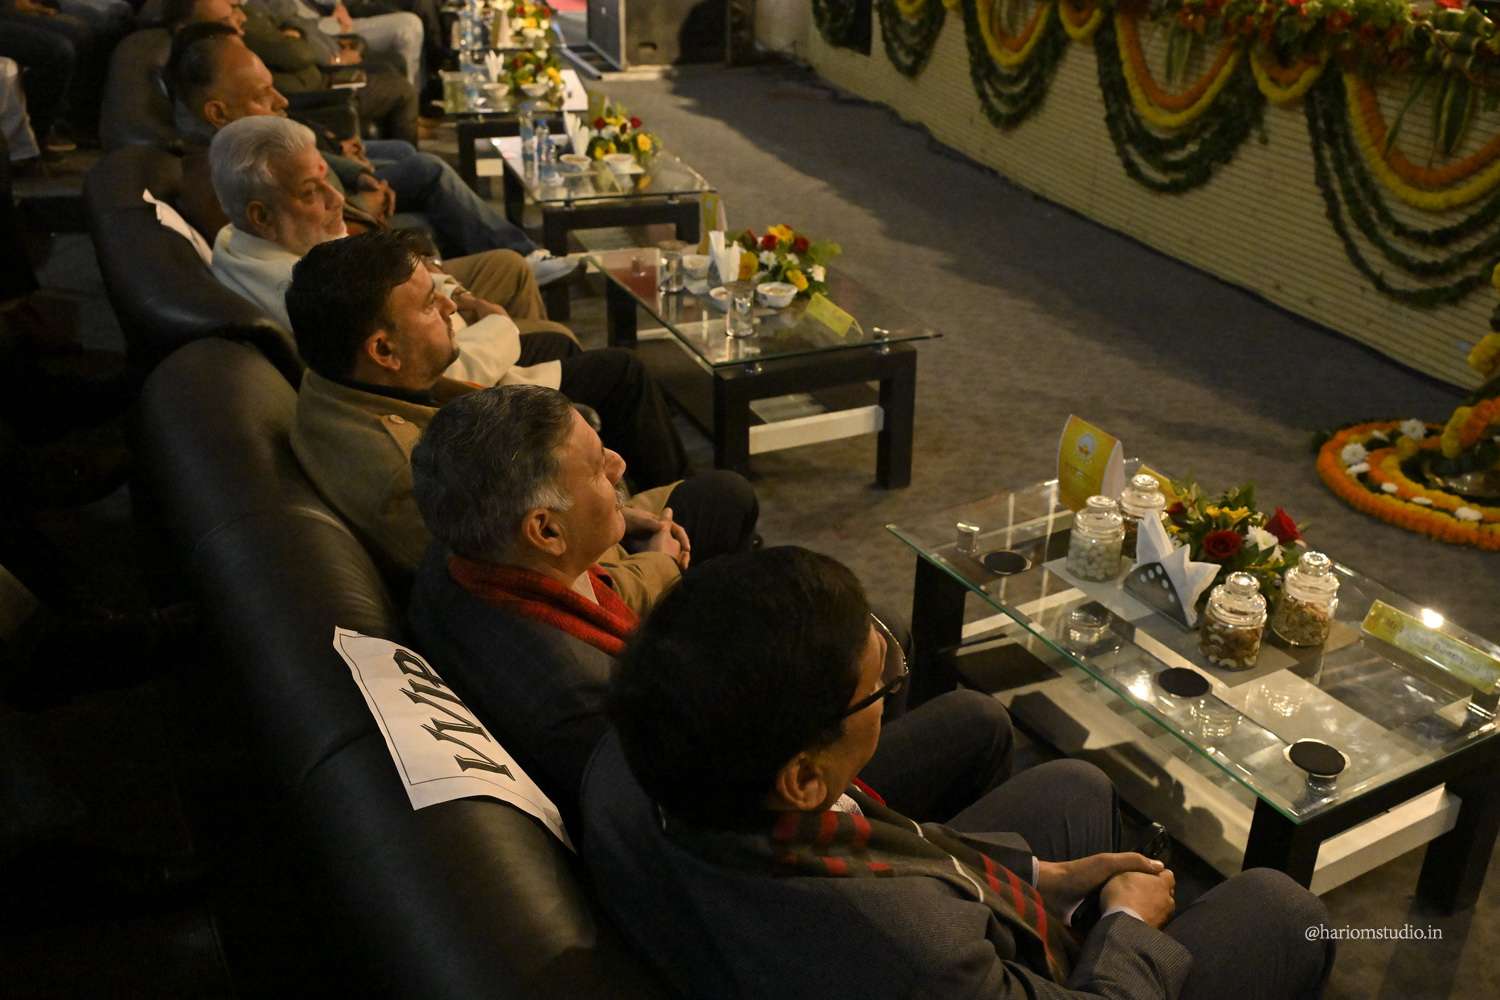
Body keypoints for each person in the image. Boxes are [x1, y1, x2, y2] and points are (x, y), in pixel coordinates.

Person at [583, 546, 1336, 1000]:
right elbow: (912, 930)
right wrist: (1126, 924)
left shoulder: (649, 745)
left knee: (1076, 787)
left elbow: (884, 834)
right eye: (879, 687)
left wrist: (1050, 878)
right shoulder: (914, 951)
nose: (891, 677)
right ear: (805, 780)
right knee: (1282, 910)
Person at [405, 386, 1008, 837]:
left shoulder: (462, 554)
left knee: (875, 631)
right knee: (977, 718)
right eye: (596, 468)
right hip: (768, 793)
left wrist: (610, 519)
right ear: (545, 530)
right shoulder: (588, 705)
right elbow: (734, 803)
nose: (618, 465)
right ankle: (919, 831)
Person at [284, 232, 713, 586]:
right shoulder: (416, 477)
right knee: (721, 499)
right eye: (431, 304)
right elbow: (547, 583)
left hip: (583, 530)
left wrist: (617, 511)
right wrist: (659, 563)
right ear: (383, 350)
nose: (450, 306)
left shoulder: (331, 383)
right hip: (601, 567)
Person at [167, 24, 575, 279]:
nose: (281, 101)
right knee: (430, 172)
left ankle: (506, 252)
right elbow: (310, 247)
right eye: (263, 94)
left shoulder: (249, 139)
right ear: (217, 112)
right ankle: (516, 257)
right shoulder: (226, 177)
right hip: (358, 240)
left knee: (413, 160)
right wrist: (365, 204)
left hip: (352, 203)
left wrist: (357, 173)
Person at [162, 0, 419, 146]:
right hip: (318, 91)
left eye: (236, 7)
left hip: (318, 78)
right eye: (230, 12)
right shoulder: (227, 56)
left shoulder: (245, 25)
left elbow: (298, 34)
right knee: (424, 166)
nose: (240, 17)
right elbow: (298, 55)